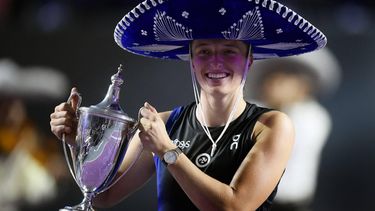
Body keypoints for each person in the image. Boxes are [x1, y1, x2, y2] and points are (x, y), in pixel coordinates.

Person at [50, 0, 327, 210]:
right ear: (192, 61)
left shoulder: (271, 125)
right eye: (204, 51)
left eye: (229, 51)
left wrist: (168, 152)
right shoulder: (165, 124)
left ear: (249, 61)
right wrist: (78, 142)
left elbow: (234, 206)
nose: (216, 62)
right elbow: (101, 195)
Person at [244, 48, 341, 211]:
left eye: (284, 78)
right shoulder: (254, 109)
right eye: (271, 77)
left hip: (289, 205)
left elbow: (278, 146)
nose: (273, 84)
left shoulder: (313, 117)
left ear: (303, 86)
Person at [0, 58, 69, 211]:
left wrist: (53, 172)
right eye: (3, 103)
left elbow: (58, 84)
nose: (9, 110)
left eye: (13, 102)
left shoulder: (29, 132)